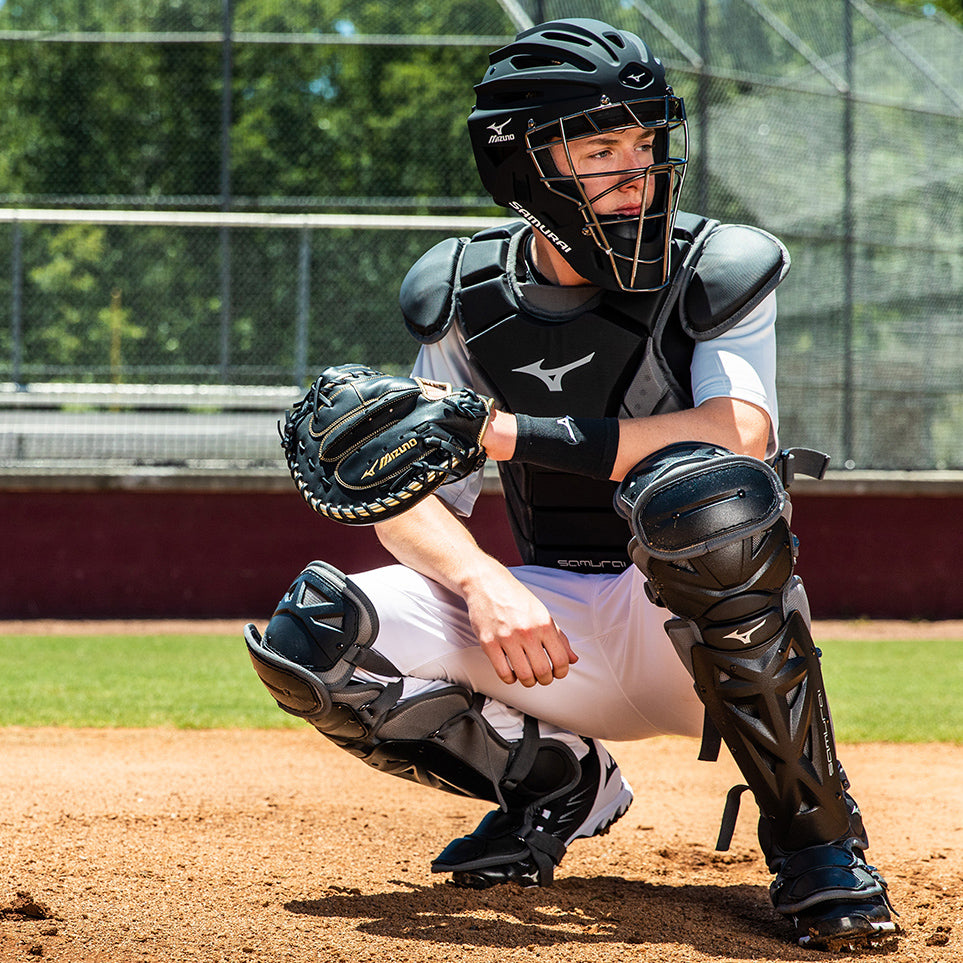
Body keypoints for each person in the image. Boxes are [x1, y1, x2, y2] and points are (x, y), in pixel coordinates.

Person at [244, 18, 896, 949]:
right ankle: (552, 778)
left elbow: (739, 434)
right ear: (523, 166)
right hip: (548, 628)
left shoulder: (719, 266)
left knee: (707, 496)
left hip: (688, 632)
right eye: (602, 148)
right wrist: (484, 582)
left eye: (645, 142)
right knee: (310, 636)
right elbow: (411, 495)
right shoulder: (463, 293)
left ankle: (816, 842)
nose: (637, 169)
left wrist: (501, 429)